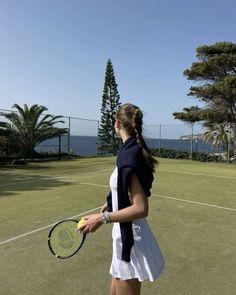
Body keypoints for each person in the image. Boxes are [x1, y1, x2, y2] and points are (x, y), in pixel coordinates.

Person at [78, 103, 165, 295]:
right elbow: (123, 192)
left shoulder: (129, 155)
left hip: (130, 239)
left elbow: (141, 208)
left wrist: (102, 219)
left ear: (117, 123)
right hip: (122, 235)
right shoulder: (132, 150)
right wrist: (103, 210)